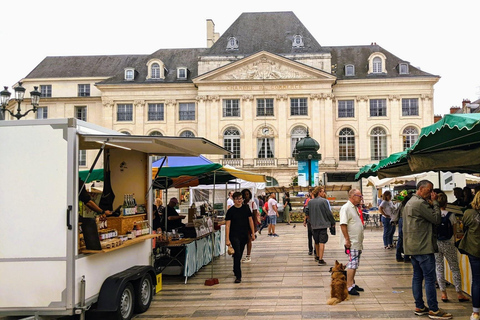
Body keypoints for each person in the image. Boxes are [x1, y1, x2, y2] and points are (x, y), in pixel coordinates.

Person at [403, 180, 452, 319]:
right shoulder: (420, 203)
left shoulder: (410, 202)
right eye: (429, 190)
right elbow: (437, 219)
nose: (431, 193)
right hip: (423, 246)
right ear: (421, 188)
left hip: (413, 246)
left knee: (417, 277)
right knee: (430, 279)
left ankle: (419, 306)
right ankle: (434, 309)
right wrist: (435, 203)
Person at [434, 193, 469, 303]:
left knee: (439, 267)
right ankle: (459, 293)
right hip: (449, 243)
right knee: (454, 268)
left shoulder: (434, 215)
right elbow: (455, 231)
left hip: (436, 243)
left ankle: (443, 293)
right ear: (446, 202)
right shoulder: (451, 215)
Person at [458, 192, 480, 320]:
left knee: (477, 280)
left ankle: (476, 312)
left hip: (474, 249)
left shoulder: (469, 213)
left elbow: (464, 226)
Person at [225, 191, 256, 283]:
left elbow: (250, 221)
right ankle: (238, 276)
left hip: (244, 235)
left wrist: (253, 233)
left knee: (239, 254)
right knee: (237, 253)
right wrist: (227, 239)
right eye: (237, 199)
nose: (239, 200)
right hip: (234, 235)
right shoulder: (230, 211)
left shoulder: (246, 208)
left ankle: (235, 268)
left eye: (241, 198)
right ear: (233, 200)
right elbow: (227, 225)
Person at [340, 188, 365, 296]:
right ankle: (348, 286)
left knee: (355, 263)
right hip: (352, 241)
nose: (361, 198)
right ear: (353, 196)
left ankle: (352, 283)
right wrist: (347, 239)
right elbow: (343, 224)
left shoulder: (354, 207)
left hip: (357, 241)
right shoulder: (346, 208)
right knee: (352, 264)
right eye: (359, 196)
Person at [304, 186, 336, 266]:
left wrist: (309, 218)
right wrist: (332, 222)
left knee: (316, 241)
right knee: (322, 242)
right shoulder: (324, 201)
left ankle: (317, 256)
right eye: (322, 191)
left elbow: (306, 211)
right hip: (323, 224)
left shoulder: (310, 202)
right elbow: (328, 213)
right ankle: (321, 260)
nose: (324, 193)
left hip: (313, 225)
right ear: (319, 192)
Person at [394, 191, 413, 263]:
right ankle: (406, 256)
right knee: (407, 239)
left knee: (401, 239)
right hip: (407, 220)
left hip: (401, 220)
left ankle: (398, 256)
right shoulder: (410, 204)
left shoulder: (402, 204)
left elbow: (398, 212)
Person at [241, 189, 258, 263]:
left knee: (249, 239)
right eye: (245, 194)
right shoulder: (241, 203)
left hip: (249, 223)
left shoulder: (252, 203)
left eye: (247, 194)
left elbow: (254, 216)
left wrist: (254, 227)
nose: (246, 196)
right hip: (242, 223)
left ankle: (248, 255)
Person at [303, 191, 315, 255]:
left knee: (310, 235)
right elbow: (306, 211)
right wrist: (305, 220)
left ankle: (311, 250)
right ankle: (314, 250)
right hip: (313, 221)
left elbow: (306, 211)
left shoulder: (309, 201)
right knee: (313, 236)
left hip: (310, 221)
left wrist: (306, 220)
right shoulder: (310, 201)